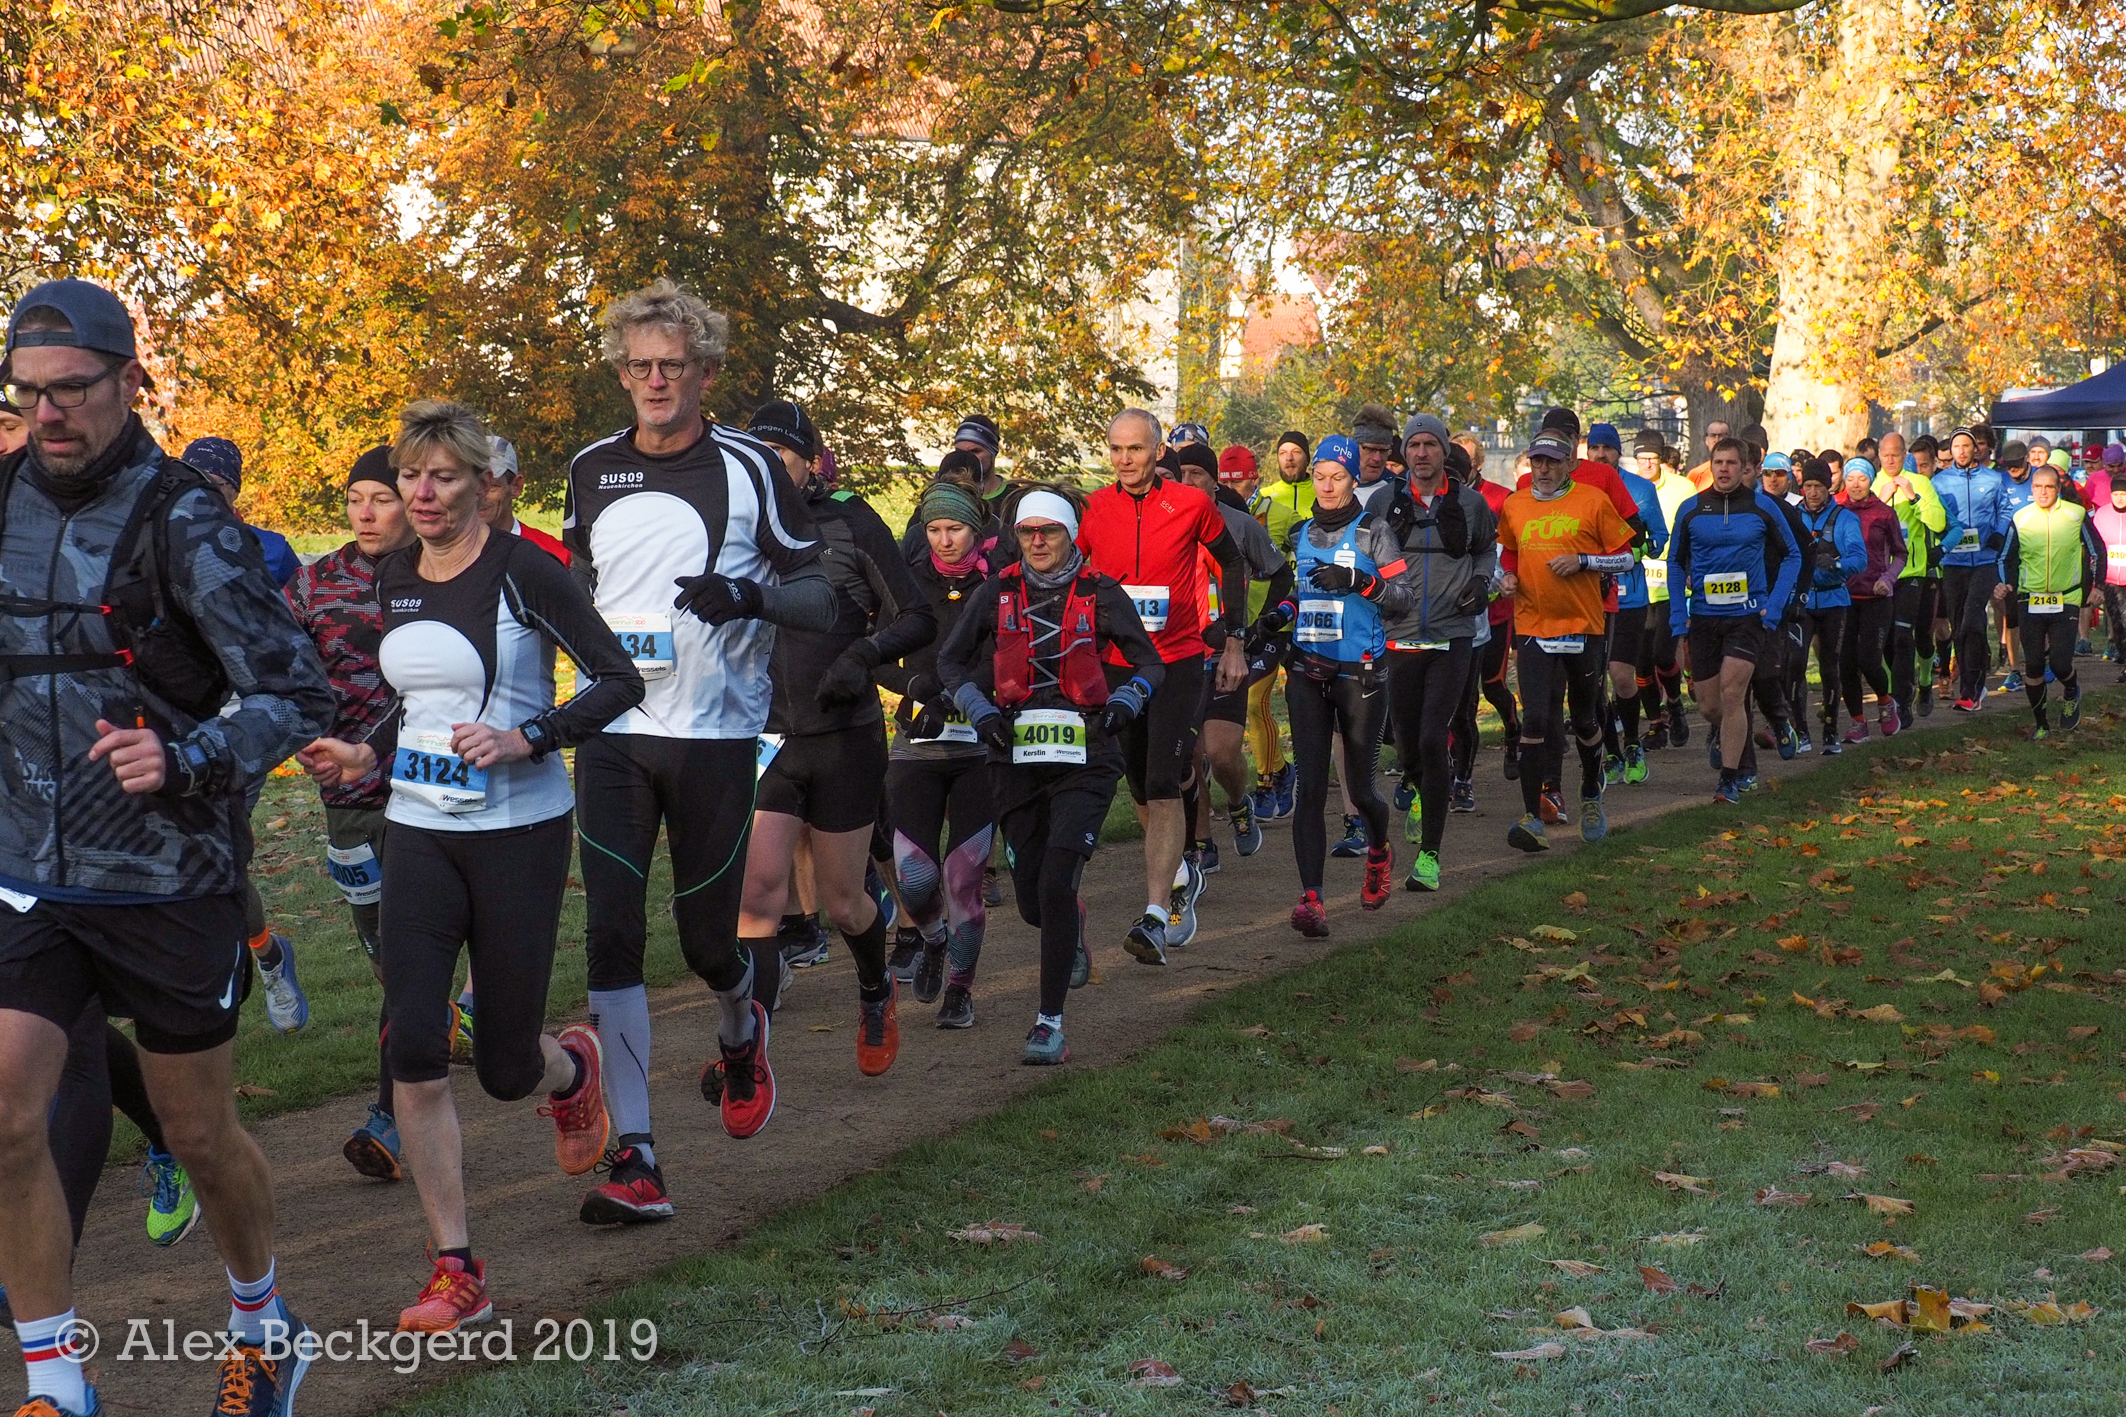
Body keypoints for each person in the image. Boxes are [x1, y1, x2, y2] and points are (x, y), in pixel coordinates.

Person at [0, 278, 336, 1415]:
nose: (48, 414)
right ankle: (57, 1380)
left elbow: (297, 689)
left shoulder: (184, 517)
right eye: (28, 392)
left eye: (72, 391)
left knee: (197, 1131)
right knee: (5, 1114)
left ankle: (261, 1318)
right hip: (28, 872)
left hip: (166, 870)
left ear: (130, 382)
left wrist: (186, 759)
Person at [297, 399, 645, 1329]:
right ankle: (456, 1264)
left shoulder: (528, 569)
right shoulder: (398, 575)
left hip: (521, 834)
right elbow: (411, 698)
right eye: (411, 475)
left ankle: (569, 1067)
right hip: (418, 827)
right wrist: (367, 752)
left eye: (443, 476)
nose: (421, 493)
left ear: (484, 486)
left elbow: (619, 681)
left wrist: (528, 735)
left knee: (501, 1068)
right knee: (412, 1039)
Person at [561, 280, 835, 1226]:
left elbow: (826, 596)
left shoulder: (753, 469)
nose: (653, 381)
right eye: (637, 366)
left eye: (671, 365)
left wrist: (750, 599)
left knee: (709, 942)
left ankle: (740, 1026)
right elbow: (575, 585)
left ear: (706, 372)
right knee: (612, 932)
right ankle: (637, 1155)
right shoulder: (589, 468)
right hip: (614, 733)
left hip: (716, 736)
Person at [739, 398, 935, 1077]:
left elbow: (918, 616)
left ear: (807, 460)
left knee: (846, 900)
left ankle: (876, 989)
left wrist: (859, 657)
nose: (769, 466)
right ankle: (749, 1053)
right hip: (765, 739)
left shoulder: (849, 523)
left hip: (843, 736)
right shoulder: (734, 530)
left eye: (781, 455)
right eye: (756, 453)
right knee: (758, 898)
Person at [935, 488, 1166, 1064]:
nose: (1037, 541)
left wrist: (1128, 701)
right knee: (1037, 904)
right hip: (1014, 756)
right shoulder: (996, 592)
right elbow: (949, 660)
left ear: (1069, 536)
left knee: (1058, 883)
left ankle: (1048, 1023)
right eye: (1027, 531)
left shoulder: (1101, 593)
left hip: (1086, 755)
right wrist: (979, 710)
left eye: (1050, 531)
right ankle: (1072, 925)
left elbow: (1151, 663)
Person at [283, 444, 419, 1180]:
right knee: (386, 962)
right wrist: (300, 730)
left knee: (406, 958)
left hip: (433, 792)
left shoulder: (442, 573)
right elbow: (274, 671)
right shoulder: (313, 586)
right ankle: (432, 1043)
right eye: (356, 497)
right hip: (350, 804)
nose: (367, 512)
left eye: (383, 497)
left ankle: (389, 1117)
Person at [1076, 410, 1247, 965]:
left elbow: (1232, 562)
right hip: (1117, 665)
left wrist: (1233, 639)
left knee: (1161, 776)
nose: (1125, 459)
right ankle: (1179, 871)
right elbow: (1075, 577)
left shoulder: (1192, 504)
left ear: (1157, 452)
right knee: (1138, 782)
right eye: (1116, 449)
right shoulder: (1094, 510)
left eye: (1136, 449)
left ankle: (1155, 912)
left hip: (1176, 661)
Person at [1248, 436, 1410, 932]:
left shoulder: (1374, 531)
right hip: (1307, 669)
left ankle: (1380, 851)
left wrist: (1360, 583)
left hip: (1359, 672)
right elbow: (1304, 595)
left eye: (1337, 477)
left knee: (1360, 789)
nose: (1327, 485)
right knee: (1311, 788)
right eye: (1320, 476)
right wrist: (1278, 615)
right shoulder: (1301, 532)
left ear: (1353, 478)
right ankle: (1311, 900)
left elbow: (1403, 597)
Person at [877, 479, 996, 1028]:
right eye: (934, 529)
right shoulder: (907, 584)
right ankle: (931, 937)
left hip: (980, 749)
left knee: (963, 878)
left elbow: (1010, 657)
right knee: (916, 875)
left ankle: (960, 991)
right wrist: (917, 687)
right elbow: (874, 656)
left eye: (955, 529)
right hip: (916, 744)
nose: (944, 540)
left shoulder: (997, 586)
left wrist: (970, 692)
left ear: (976, 530)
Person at [1494, 430, 1633, 849]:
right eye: (1537, 462)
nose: (1544, 470)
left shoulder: (1593, 501)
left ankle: (1590, 789)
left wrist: (1584, 561)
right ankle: (1532, 817)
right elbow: (1509, 553)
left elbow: (1627, 558)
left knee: (1586, 718)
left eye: (1553, 462)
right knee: (1534, 719)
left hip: (1585, 623)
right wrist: (1508, 577)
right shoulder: (1516, 505)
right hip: (1533, 625)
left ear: (1571, 464)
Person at [1382, 415, 1494, 892]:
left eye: (1431, 445)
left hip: (1452, 636)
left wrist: (1480, 582)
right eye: (1415, 445)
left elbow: (1488, 550)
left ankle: (1429, 857)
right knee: (1406, 744)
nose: (1422, 453)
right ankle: (1420, 786)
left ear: (1443, 452)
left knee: (1433, 737)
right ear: (1404, 453)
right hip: (1399, 634)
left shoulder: (1470, 504)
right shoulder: (1385, 501)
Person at [1667, 437, 1800, 803]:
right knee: (1710, 706)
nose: (1723, 469)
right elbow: (1675, 564)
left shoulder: (1763, 508)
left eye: (1731, 463)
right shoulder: (1691, 509)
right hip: (1705, 617)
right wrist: (1680, 619)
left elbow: (1793, 557)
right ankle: (1732, 735)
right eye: (1717, 462)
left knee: (1732, 691)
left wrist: (1773, 608)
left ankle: (1729, 779)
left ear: (1744, 468)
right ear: (1710, 466)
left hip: (1747, 616)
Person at [1177, 444, 1289, 866]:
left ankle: (1239, 804)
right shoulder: (1164, 524)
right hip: (1181, 655)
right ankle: (1203, 844)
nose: (1187, 482)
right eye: (1181, 474)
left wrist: (1257, 627)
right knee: (1190, 755)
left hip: (1228, 653)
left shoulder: (1239, 525)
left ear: (1214, 481)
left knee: (1221, 753)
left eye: (1196, 474)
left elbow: (1280, 574)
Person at [1995, 464, 2096, 737]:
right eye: (2037, 487)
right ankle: (2041, 725)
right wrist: (2006, 584)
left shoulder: (2076, 515)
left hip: (2067, 598)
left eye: (2048, 487)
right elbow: (2006, 557)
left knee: (2061, 664)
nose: (2042, 492)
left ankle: (2072, 690)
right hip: (2030, 600)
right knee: (2035, 664)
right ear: (2031, 489)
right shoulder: (2021, 518)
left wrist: (2091, 588)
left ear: (2058, 488)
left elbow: (2096, 551)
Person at [1246, 432, 1311, 822]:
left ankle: (1308, 771)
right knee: (1255, 701)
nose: (1289, 459)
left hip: (1309, 618)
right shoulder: (1263, 500)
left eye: (1296, 453)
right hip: (1272, 620)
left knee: (1305, 705)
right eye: (1283, 453)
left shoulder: (1319, 494)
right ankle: (1271, 778)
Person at [1605, 433, 1668, 781]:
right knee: (1591, 681)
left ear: (1618, 452)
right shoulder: (1579, 488)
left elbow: (1659, 539)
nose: (1601, 454)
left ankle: (1631, 742)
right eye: (1595, 448)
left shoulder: (1641, 489)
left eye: (1607, 448)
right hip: (1588, 596)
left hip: (1630, 595)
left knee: (1620, 674)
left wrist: (1635, 553)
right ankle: (1612, 751)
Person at [1873, 438, 1950, 722]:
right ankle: (1898, 692)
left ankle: (1905, 699)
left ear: (1904, 455)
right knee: (1888, 642)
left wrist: (1914, 498)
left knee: (1908, 638)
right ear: (1879, 456)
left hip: (1912, 574)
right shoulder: (1871, 484)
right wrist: (1879, 500)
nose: (1891, 461)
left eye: (1896, 455)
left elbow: (1939, 523)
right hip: (1880, 576)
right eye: (1886, 456)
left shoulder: (1920, 483)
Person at [1794, 461, 1869, 757]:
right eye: (1808, 486)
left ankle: (1830, 730)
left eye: (1819, 487)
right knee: (1795, 665)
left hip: (1833, 600)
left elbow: (1860, 560)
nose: (1813, 493)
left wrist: (1836, 563)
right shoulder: (1793, 515)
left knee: (1830, 666)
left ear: (1829, 488)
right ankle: (1800, 730)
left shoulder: (1844, 518)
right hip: (1800, 602)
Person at [1830, 460, 1905, 746]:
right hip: (1843, 597)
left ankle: (1886, 703)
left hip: (1876, 597)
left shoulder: (1885, 513)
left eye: (1862, 478)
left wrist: (1888, 578)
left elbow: (1900, 554)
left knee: (1869, 659)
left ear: (1871, 481)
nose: (1856, 484)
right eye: (1851, 479)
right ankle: (1857, 722)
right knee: (1845, 663)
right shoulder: (1836, 509)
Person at [1931, 429, 2007, 713]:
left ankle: (1971, 688)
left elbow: (2006, 511)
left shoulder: (1993, 479)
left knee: (1973, 621)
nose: (1961, 451)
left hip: (1984, 560)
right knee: (1958, 627)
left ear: (1976, 449)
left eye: (1967, 446)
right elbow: (1934, 517)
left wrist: (1998, 533)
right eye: (1956, 446)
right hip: (1953, 563)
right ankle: (1972, 677)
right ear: (1951, 450)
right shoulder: (1940, 482)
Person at [1636, 431, 1696, 747]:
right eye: (1640, 458)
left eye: (1652, 458)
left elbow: (1693, 532)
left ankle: (1674, 702)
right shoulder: (1629, 487)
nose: (1646, 464)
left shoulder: (1683, 488)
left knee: (1662, 655)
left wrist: (1688, 568)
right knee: (1641, 663)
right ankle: (1657, 723)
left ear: (1662, 458)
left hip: (1672, 586)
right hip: (1637, 587)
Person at [182, 436, 301, 589]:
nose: (199, 492)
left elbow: (305, 607)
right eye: (189, 482)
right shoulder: (157, 542)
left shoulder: (273, 551)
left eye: (211, 484)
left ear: (235, 490)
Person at [482, 433, 571, 565]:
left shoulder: (554, 555)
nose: (477, 496)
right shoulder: (442, 557)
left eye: (491, 486)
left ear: (516, 486)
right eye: (469, 485)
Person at [2089, 473, 2126, 680]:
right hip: (2110, 578)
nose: (2120, 498)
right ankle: (2121, 651)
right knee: (2117, 622)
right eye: (2116, 494)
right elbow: (2095, 546)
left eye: (2124, 494)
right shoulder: (2101, 515)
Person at [1351, 405, 1400, 514]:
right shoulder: (1335, 485)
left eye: (1383, 451)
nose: (1377, 458)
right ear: (1355, 447)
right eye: (1370, 449)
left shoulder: (1398, 491)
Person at [1686, 417, 1732, 489]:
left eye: (1721, 435)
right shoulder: (1696, 475)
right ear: (1706, 440)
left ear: (1729, 438)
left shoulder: (1739, 471)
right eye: (1713, 436)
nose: (1716, 440)